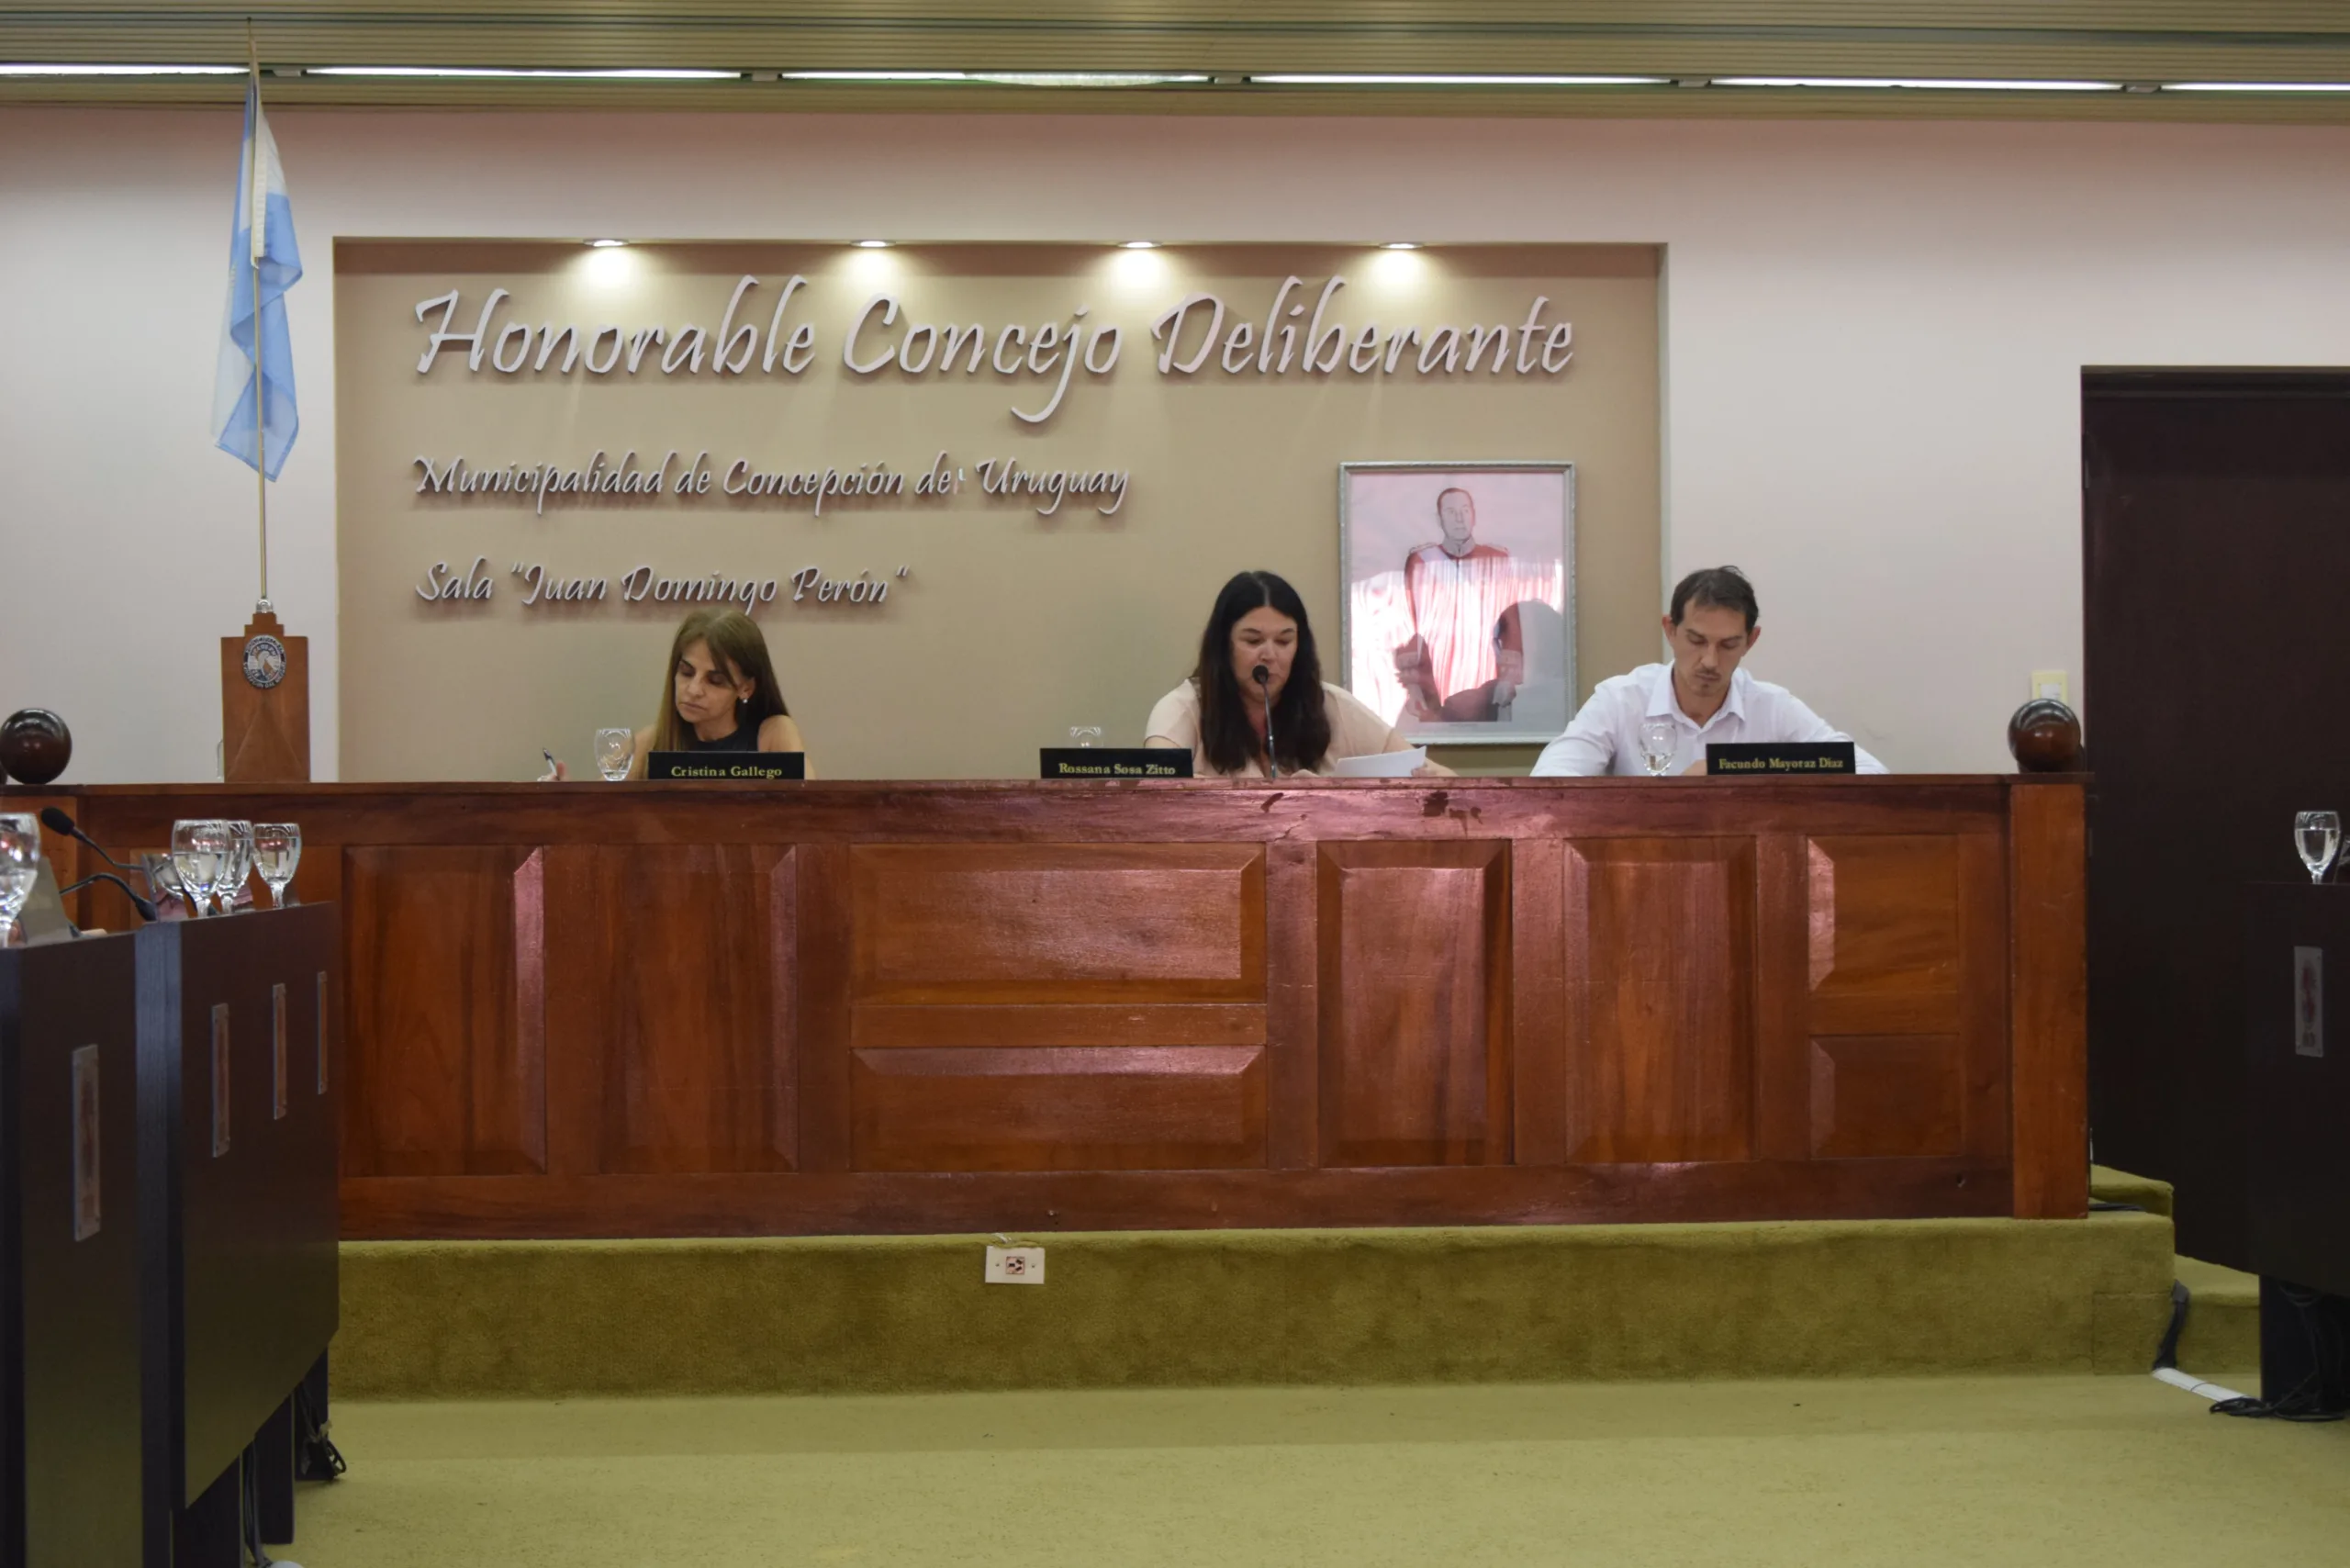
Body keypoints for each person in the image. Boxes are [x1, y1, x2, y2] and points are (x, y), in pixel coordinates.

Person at [1531, 566, 1886, 777]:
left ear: (1751, 641)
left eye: (1728, 645)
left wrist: (1729, 766)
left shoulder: (1772, 706)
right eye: (1697, 641)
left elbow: (1871, 773)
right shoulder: (1621, 700)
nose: (1710, 661)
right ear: (1670, 630)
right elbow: (1550, 780)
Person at [1147, 570, 1448, 778]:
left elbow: (1437, 775)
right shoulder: (1182, 709)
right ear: (1223, 647)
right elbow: (1155, 791)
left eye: (1284, 641)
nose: (1269, 654)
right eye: (1253, 641)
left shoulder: (1331, 705)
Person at [544, 608, 806, 778]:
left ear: (746, 688)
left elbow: (811, 816)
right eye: (686, 672)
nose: (693, 690)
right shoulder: (649, 742)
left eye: (715, 681)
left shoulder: (774, 735)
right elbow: (594, 816)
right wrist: (562, 799)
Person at [1393, 487, 1526, 722]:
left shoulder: (1497, 559)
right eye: (1451, 512)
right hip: (1434, 682)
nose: (1459, 518)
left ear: (1473, 515)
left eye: (1465, 510)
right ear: (1439, 519)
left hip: (1487, 682)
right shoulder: (1421, 561)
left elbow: (1510, 626)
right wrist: (1413, 688)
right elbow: (1409, 626)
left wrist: (1508, 681)